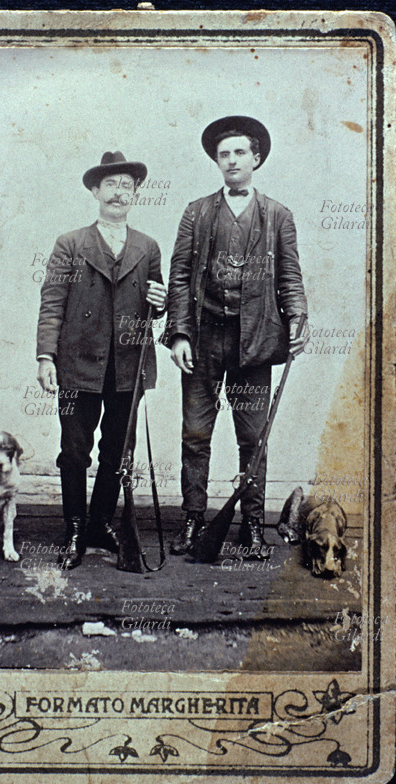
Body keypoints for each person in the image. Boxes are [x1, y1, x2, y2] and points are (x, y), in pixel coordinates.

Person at [165, 116, 308, 559]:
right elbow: (180, 276)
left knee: (253, 438)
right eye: (223, 154)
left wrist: (299, 316)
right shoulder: (197, 211)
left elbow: (290, 275)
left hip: (255, 345)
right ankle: (193, 521)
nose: (231, 160)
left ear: (256, 158)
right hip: (204, 341)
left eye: (239, 152)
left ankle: (250, 526)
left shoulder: (279, 215)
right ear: (217, 161)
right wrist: (179, 334)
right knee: (195, 435)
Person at [36, 151, 167, 569]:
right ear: (95, 191)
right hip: (78, 364)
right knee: (74, 451)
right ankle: (75, 530)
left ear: (135, 195)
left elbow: (158, 300)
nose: (119, 192)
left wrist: (161, 302)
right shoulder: (70, 243)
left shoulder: (148, 247)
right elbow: (52, 303)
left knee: (117, 453)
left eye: (127, 186)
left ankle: (100, 525)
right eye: (111, 184)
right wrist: (46, 357)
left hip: (128, 366)